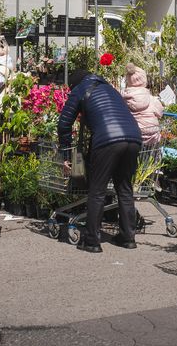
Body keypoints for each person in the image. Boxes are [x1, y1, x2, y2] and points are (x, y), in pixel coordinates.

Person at [58, 71, 142, 253]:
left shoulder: (79, 89)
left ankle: (91, 241)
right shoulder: (110, 89)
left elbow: (64, 123)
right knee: (125, 189)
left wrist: (65, 155)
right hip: (134, 137)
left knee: (97, 190)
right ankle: (128, 238)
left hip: (108, 140)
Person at [122, 63, 164, 146]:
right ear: (144, 80)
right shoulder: (152, 99)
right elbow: (160, 113)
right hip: (152, 136)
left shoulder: (124, 99)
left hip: (133, 135)